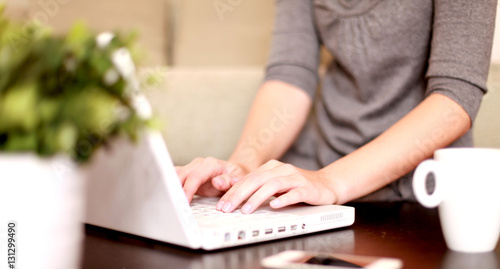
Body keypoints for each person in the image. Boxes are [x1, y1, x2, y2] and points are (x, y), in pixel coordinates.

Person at [176, 0, 497, 214]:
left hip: (419, 199)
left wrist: (330, 182)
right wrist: (239, 171)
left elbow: (455, 96)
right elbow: (291, 73)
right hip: (309, 189)